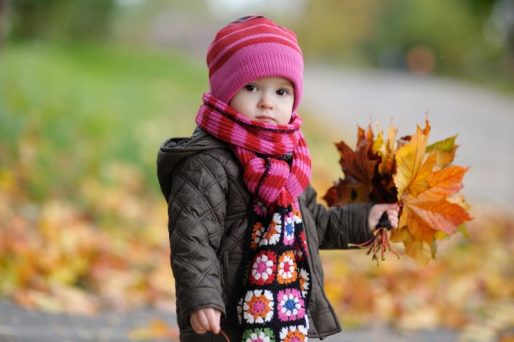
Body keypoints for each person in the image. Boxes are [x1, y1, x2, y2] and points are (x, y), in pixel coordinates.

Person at [156, 15, 399, 342]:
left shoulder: (289, 162)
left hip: (285, 313)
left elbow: (315, 224)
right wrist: (201, 298)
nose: (267, 101)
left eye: (282, 91)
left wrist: (364, 219)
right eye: (252, 87)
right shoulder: (206, 163)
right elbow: (193, 238)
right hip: (227, 317)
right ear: (225, 91)